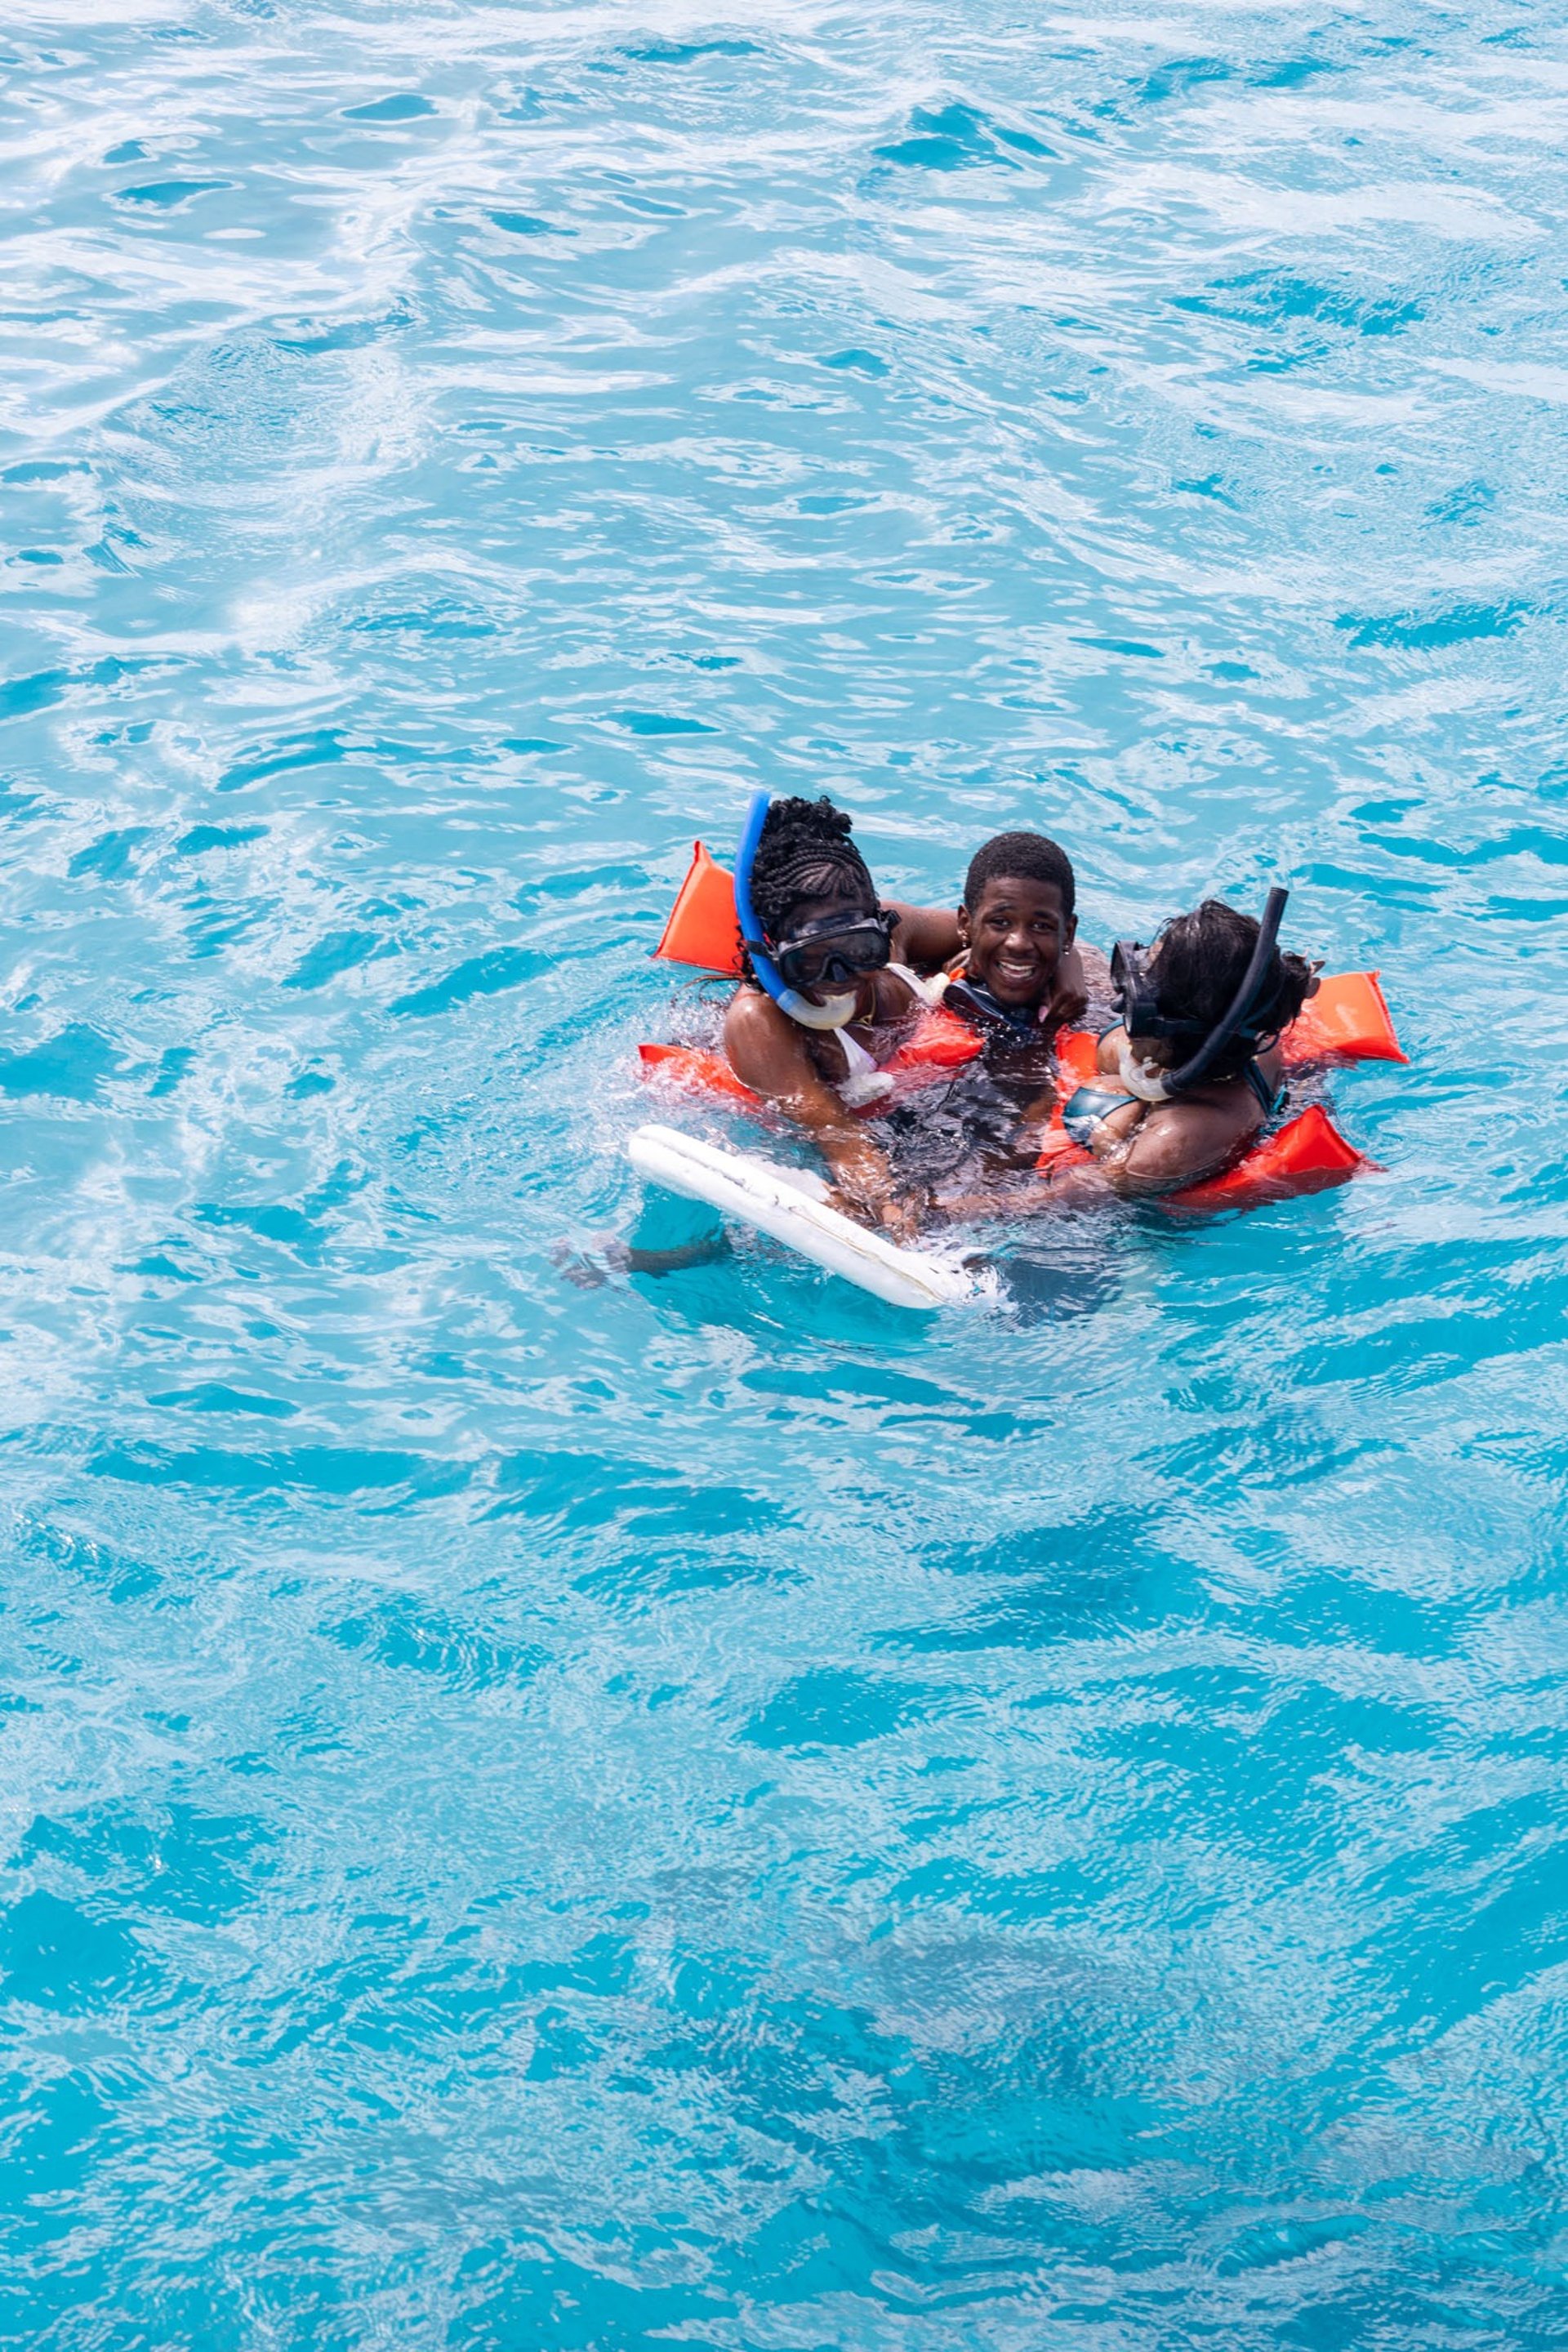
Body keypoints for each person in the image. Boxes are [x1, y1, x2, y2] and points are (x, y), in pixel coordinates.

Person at [1043, 894, 1316, 1200]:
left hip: (1137, 1230)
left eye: (1144, 993)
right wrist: (1066, 956)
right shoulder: (1251, 1037)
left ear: (1177, 1024)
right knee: (1109, 1048)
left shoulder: (1177, 1136)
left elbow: (1064, 1198)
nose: (1123, 1002)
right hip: (1181, 1062)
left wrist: (1106, 1140)